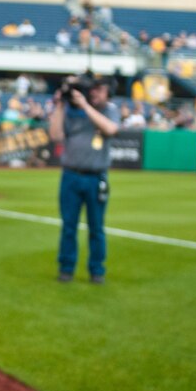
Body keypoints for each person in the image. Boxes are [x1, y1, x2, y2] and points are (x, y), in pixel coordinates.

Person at [49, 75, 120, 284]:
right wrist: (61, 105)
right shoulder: (72, 110)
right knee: (68, 226)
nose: (94, 93)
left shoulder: (109, 110)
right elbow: (55, 135)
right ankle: (66, 268)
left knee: (96, 228)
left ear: (108, 92)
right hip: (70, 175)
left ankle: (97, 270)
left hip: (95, 176)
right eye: (93, 90)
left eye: (100, 90)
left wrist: (85, 106)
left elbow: (111, 129)